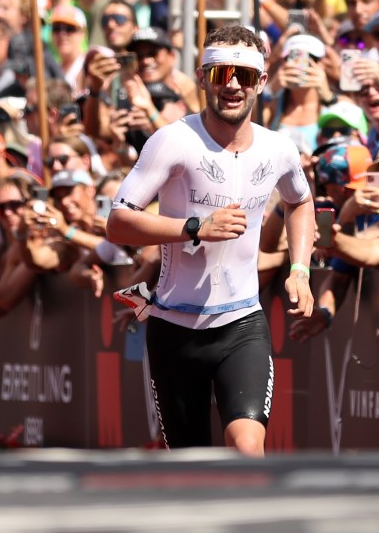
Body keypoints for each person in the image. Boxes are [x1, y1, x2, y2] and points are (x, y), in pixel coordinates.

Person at [106, 24, 315, 455]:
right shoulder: (172, 141)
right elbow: (119, 221)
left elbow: (301, 202)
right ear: (202, 79)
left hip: (242, 324)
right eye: (220, 74)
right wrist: (193, 227)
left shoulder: (279, 149)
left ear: (261, 81)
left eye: (243, 74)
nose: (232, 85)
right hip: (174, 329)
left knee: (247, 446)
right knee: (191, 466)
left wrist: (300, 268)